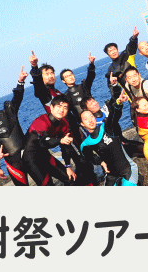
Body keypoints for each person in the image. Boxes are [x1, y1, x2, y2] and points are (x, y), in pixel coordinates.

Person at [29, 50, 97, 183]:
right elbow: (38, 86)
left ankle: (91, 180)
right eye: (46, 74)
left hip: (73, 129)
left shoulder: (57, 91)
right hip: (65, 133)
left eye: (51, 73)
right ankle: (86, 183)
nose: (50, 76)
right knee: (80, 159)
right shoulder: (45, 93)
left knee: (85, 155)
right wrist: (34, 67)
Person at [22, 95, 87, 186]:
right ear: (51, 107)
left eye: (65, 107)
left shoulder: (63, 124)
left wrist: (68, 166)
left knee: (71, 179)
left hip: (45, 156)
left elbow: (66, 147)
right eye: (59, 106)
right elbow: (44, 141)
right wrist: (60, 140)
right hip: (30, 159)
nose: (61, 110)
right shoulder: (41, 121)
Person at [79, 93, 141, 186]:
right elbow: (89, 157)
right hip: (112, 175)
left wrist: (119, 104)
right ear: (82, 124)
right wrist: (101, 162)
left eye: (91, 116)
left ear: (95, 118)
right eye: (86, 119)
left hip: (128, 169)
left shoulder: (107, 127)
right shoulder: (86, 144)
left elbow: (114, 116)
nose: (90, 120)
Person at [79, 96, 144, 158]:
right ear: (86, 109)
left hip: (122, 140)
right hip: (115, 147)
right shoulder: (93, 124)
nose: (94, 103)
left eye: (94, 101)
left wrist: (119, 101)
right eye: (91, 104)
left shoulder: (105, 110)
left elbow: (114, 105)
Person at [104, 27, 139, 100]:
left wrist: (134, 37)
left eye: (114, 49)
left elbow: (131, 46)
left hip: (141, 86)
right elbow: (113, 91)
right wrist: (114, 84)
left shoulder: (126, 55)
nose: (113, 52)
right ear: (108, 55)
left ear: (117, 50)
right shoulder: (110, 70)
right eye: (110, 51)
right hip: (131, 96)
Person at [60, 52, 97, 119]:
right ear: (63, 81)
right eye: (67, 76)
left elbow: (90, 76)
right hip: (82, 121)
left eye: (71, 74)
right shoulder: (66, 96)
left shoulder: (84, 86)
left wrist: (91, 64)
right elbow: (67, 114)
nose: (70, 77)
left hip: (94, 116)